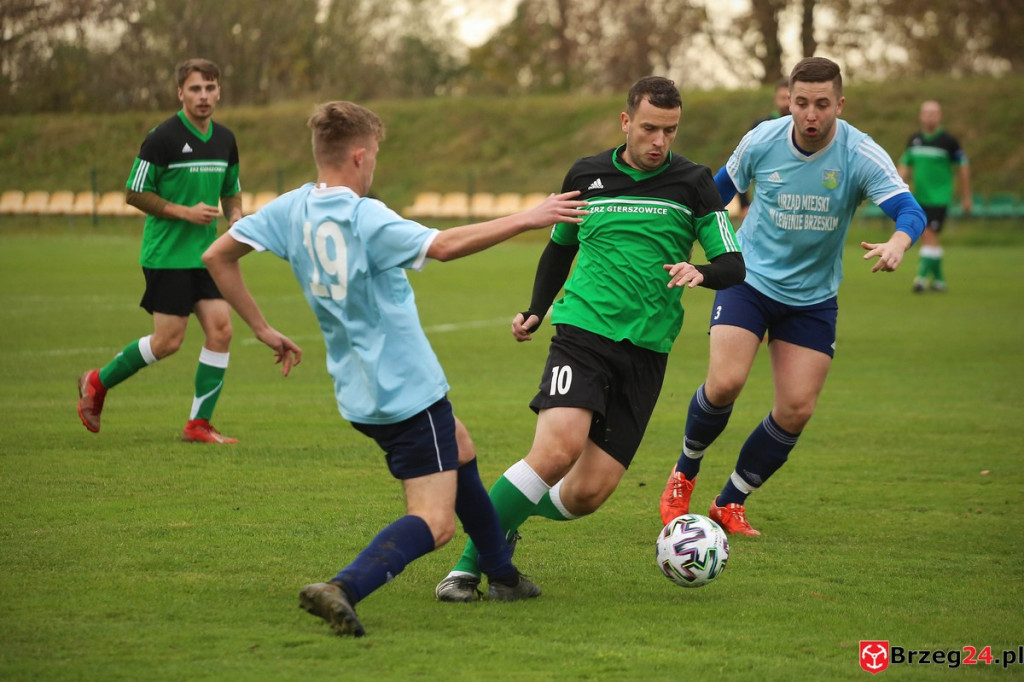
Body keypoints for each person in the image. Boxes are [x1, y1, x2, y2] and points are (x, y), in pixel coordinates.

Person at [201, 101, 588, 636]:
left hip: (355, 391)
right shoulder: (365, 217)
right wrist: (529, 216)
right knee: (435, 521)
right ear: (360, 156)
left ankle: (503, 574)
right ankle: (344, 586)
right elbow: (444, 246)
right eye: (376, 154)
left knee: (461, 447)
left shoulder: (290, 209)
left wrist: (262, 328)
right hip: (406, 389)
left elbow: (217, 257)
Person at [434, 76, 745, 602]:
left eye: (670, 130)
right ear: (626, 121)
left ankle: (505, 518)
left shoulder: (694, 182)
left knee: (586, 494)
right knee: (557, 449)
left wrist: (702, 272)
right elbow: (560, 247)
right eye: (649, 128)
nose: (659, 141)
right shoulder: (587, 174)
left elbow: (733, 264)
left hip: (647, 352)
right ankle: (466, 568)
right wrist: (536, 309)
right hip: (582, 333)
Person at [659, 57, 927, 536]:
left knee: (797, 408)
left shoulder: (859, 153)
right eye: (801, 103)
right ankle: (684, 471)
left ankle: (730, 501)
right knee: (725, 383)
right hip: (749, 280)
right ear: (789, 101)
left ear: (839, 104)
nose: (810, 114)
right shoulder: (763, 139)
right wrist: (683, 248)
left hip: (812, 297)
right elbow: (714, 196)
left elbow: (909, 209)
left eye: (822, 104)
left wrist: (898, 243)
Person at [76, 58, 243, 444]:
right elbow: (134, 192)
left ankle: (198, 424)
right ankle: (97, 381)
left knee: (221, 331)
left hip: (207, 255)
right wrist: (184, 212)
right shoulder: (162, 137)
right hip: (167, 255)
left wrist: (235, 215)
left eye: (210, 88)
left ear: (219, 91)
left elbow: (231, 189)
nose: (203, 96)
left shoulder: (225, 139)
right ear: (180, 93)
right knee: (168, 341)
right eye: (195, 88)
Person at [898, 100, 972, 292]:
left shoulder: (949, 141)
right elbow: (905, 166)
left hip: (939, 198)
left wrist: (966, 197)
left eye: (934, 113)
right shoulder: (914, 140)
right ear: (921, 116)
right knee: (929, 238)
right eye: (927, 113)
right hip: (918, 198)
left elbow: (963, 168)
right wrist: (897, 188)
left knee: (928, 234)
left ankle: (921, 279)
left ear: (939, 116)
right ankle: (939, 281)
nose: (930, 117)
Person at [736, 77, 791, 221]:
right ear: (775, 99)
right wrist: (744, 204)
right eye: (782, 98)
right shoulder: (761, 127)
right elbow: (741, 165)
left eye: (790, 98)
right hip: (764, 207)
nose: (787, 103)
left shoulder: (808, 128)